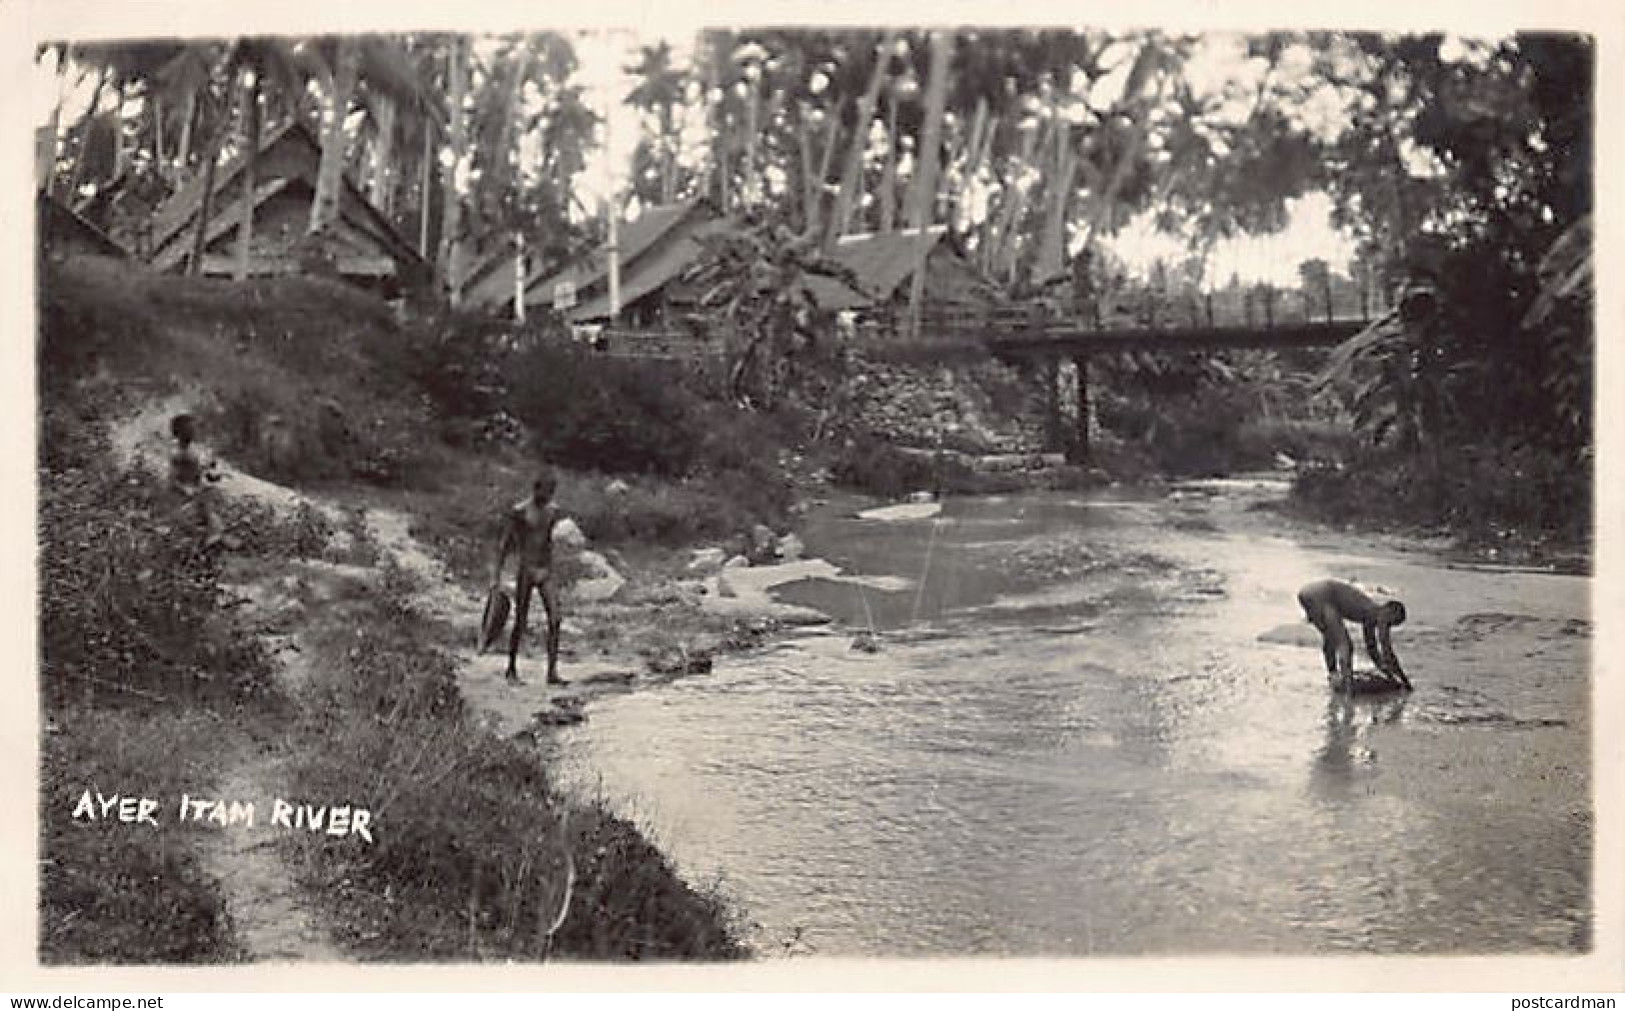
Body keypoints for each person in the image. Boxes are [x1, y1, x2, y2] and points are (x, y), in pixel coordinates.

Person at [491, 470, 566, 686]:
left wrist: (554, 566)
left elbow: (550, 541)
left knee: (556, 618)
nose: (551, 495)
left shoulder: (554, 512)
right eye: (547, 491)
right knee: (520, 621)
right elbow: (505, 544)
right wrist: (496, 576)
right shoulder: (520, 511)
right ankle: (511, 668)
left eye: (553, 491)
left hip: (545, 569)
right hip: (526, 569)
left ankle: (552, 672)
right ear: (536, 489)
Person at [1297, 578, 1411, 690]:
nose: (1387, 627)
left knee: (1331, 637)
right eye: (1390, 623)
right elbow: (1387, 650)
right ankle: (1348, 692)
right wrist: (1405, 681)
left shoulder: (1370, 615)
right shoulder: (1377, 614)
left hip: (1308, 592)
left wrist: (1389, 675)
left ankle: (1333, 677)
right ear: (1388, 611)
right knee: (1345, 645)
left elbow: (1372, 650)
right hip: (1323, 595)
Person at [168, 413, 226, 551]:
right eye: (190, 429)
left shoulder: (191, 450)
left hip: (199, 495)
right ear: (180, 432)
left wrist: (210, 472)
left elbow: (197, 473)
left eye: (193, 429)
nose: (194, 432)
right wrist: (186, 490)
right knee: (202, 530)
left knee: (213, 526)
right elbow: (173, 480)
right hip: (186, 499)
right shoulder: (178, 453)